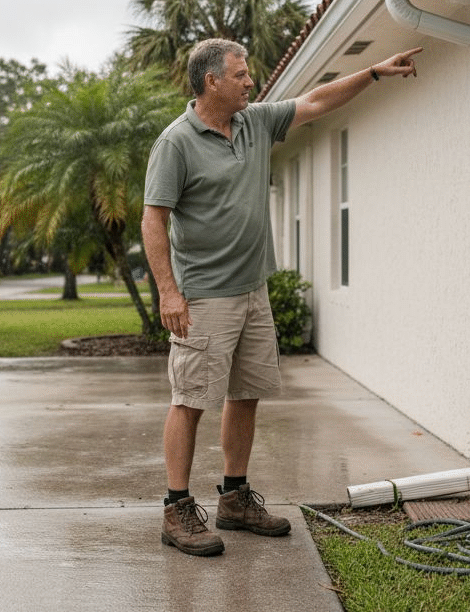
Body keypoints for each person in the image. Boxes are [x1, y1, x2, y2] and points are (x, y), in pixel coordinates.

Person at [142, 37, 422, 556]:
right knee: (190, 399)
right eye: (241, 74)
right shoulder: (176, 142)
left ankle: (234, 497)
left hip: (253, 289)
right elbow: (154, 217)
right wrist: (168, 292)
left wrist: (374, 75)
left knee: (245, 392)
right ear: (212, 82)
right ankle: (176, 509)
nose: (251, 81)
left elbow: (316, 100)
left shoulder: (254, 122)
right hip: (203, 296)